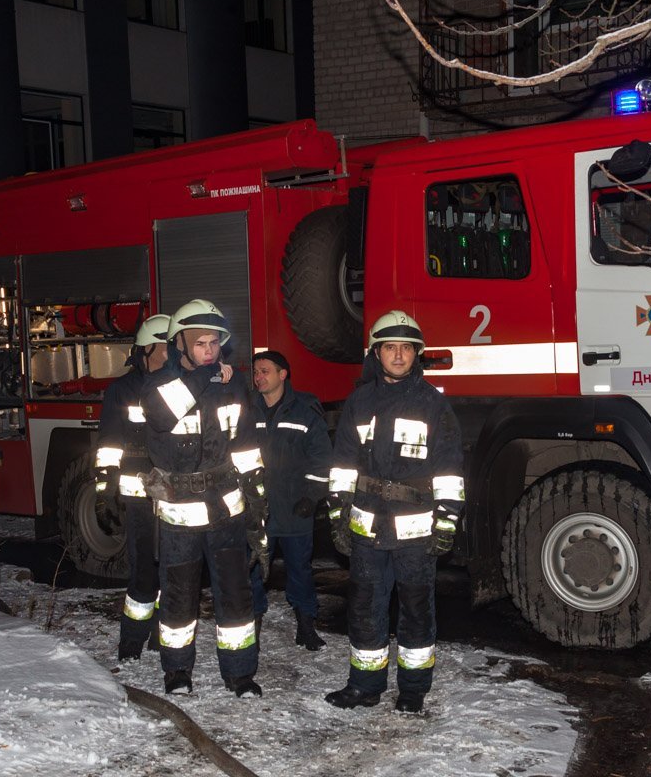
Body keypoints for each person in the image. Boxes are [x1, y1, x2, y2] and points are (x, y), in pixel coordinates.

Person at [323, 310, 465, 714]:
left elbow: (449, 469)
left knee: (417, 609)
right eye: (390, 347)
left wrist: (448, 519)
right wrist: (336, 514)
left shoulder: (434, 406)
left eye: (406, 348)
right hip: (367, 527)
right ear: (377, 353)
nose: (399, 355)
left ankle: (413, 689)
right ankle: (364, 686)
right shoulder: (359, 402)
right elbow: (343, 464)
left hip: (416, 533)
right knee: (365, 607)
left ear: (416, 354)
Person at [139, 299, 268, 697]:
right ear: (180, 345)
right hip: (179, 514)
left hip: (226, 509)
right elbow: (163, 417)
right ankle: (177, 672)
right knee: (178, 597)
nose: (210, 351)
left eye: (214, 343)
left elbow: (246, 446)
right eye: (200, 344)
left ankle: (240, 674)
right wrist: (208, 376)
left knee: (235, 595)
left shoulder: (231, 385)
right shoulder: (159, 385)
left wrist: (257, 502)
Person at [92, 313, 170, 662]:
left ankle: (162, 635)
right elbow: (109, 441)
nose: (175, 352)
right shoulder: (122, 390)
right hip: (138, 496)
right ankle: (132, 640)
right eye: (169, 346)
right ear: (149, 347)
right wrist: (106, 488)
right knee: (141, 571)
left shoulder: (178, 384)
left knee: (173, 567)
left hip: (173, 494)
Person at [248, 350, 333, 651]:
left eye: (265, 371)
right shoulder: (247, 412)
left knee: (300, 571)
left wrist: (311, 497)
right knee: (253, 572)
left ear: (283, 375)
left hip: (295, 508)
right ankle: (251, 629)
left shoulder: (305, 412)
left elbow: (322, 460)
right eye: (256, 372)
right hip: (258, 511)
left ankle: (306, 626)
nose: (259, 377)